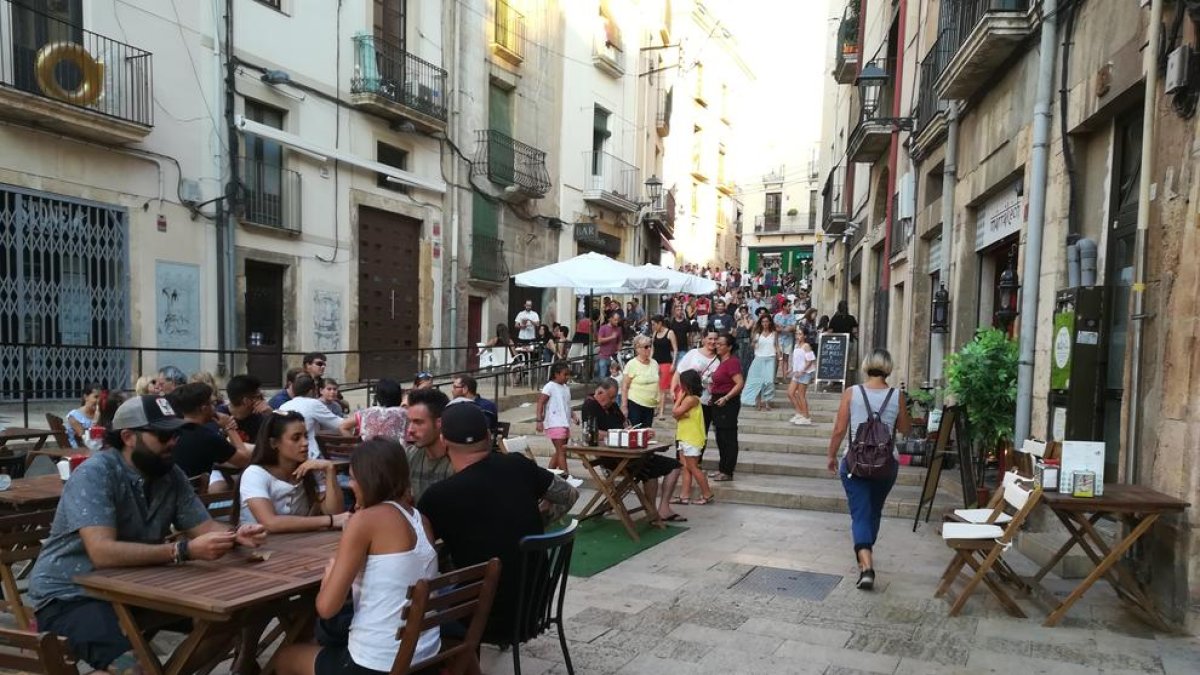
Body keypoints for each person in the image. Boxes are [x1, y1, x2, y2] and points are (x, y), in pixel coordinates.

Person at [27, 395, 266, 672]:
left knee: (231, 619)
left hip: (138, 587)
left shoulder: (170, 474)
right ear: (128, 437)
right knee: (130, 667)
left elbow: (205, 528)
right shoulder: (97, 473)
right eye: (164, 435)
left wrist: (236, 534)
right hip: (71, 595)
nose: (173, 442)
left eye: (176, 434)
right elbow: (102, 551)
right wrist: (182, 551)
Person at [275, 439, 439, 675]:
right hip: (424, 655)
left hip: (377, 663)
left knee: (285, 658)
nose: (351, 485)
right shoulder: (421, 519)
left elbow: (326, 608)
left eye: (352, 478)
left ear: (367, 480)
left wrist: (329, 579)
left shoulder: (365, 521)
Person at [418, 403, 579, 643]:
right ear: (487, 436)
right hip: (535, 608)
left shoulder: (437, 496)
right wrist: (539, 518)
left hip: (481, 616)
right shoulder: (517, 465)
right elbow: (569, 495)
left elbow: (421, 555)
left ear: (443, 441)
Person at [826, 349, 910, 590]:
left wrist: (831, 455)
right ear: (889, 368)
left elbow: (839, 429)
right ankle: (865, 555)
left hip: (855, 463)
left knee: (860, 513)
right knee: (873, 511)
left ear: (865, 366)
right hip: (886, 464)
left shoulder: (852, 393)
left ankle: (867, 565)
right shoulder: (897, 395)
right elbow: (905, 429)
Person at [237, 410, 349, 531]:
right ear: (274, 443)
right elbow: (270, 522)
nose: (305, 443)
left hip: (301, 544)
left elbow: (335, 512)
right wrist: (330, 520)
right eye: (296, 438)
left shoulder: (309, 469)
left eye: (306, 436)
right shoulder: (255, 474)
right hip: (259, 546)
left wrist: (329, 470)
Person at [168, 382, 252, 479]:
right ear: (204, 409)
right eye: (212, 404)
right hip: (195, 492)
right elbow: (244, 460)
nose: (215, 408)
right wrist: (229, 427)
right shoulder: (207, 437)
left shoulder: (172, 431)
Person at [404, 388, 455, 502]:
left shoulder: (457, 461)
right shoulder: (409, 456)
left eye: (418, 422)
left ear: (439, 423)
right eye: (409, 422)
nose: (410, 430)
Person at [278, 374, 345, 459]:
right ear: (311, 391)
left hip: (286, 454)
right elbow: (340, 424)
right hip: (309, 455)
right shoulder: (313, 403)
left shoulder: (283, 406)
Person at [672, 370, 713, 505]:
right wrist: (680, 414)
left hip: (692, 438)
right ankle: (684, 496)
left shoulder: (691, 399)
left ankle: (707, 493)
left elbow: (675, 412)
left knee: (693, 467)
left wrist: (679, 398)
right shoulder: (688, 399)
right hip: (684, 436)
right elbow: (678, 415)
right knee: (685, 467)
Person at [709, 333, 745, 482]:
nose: (717, 346)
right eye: (717, 343)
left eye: (721, 344)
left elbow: (739, 383)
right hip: (718, 400)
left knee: (728, 437)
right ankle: (722, 468)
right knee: (720, 437)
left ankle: (727, 470)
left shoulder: (732, 362)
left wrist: (726, 397)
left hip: (727, 401)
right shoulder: (720, 361)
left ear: (729, 347)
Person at [535, 362, 576, 474]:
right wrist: (539, 420)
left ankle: (549, 473)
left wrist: (573, 416)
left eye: (568, 374)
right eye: (565, 374)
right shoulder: (550, 386)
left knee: (559, 451)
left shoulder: (566, 388)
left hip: (564, 422)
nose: (567, 377)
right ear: (556, 374)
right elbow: (540, 403)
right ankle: (566, 476)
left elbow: (567, 405)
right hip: (554, 423)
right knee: (561, 451)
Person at [340, 378, 408, 443]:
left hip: (368, 453)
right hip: (397, 454)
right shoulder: (406, 414)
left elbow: (343, 426)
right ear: (399, 395)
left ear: (378, 396)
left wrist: (355, 446)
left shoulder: (365, 413)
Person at [741, 313, 779, 412]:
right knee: (757, 380)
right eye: (763, 322)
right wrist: (754, 342)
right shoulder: (757, 333)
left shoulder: (774, 333)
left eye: (766, 321)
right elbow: (753, 345)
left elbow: (776, 345)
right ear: (760, 323)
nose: (765, 323)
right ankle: (758, 402)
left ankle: (766, 402)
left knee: (769, 381)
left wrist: (780, 357)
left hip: (770, 357)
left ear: (770, 322)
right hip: (759, 358)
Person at [620, 334, 660, 430]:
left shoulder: (654, 363)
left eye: (650, 346)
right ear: (637, 349)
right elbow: (625, 386)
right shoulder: (632, 364)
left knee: (647, 433)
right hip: (635, 403)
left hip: (650, 405)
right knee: (635, 432)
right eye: (646, 347)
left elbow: (658, 384)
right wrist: (624, 406)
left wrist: (658, 403)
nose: (649, 349)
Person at [649, 315, 679, 419]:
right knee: (655, 387)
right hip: (655, 363)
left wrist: (674, 364)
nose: (652, 326)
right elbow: (652, 348)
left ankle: (661, 412)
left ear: (660, 323)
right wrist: (649, 360)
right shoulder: (655, 333)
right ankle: (656, 408)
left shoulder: (670, 333)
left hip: (666, 363)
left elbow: (675, 349)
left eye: (654, 324)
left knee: (662, 389)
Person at [787, 329, 816, 426]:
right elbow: (796, 360)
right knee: (790, 393)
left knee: (801, 394)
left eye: (800, 334)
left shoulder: (806, 346)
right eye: (796, 334)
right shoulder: (796, 345)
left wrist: (802, 371)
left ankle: (806, 416)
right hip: (796, 372)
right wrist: (791, 369)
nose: (797, 336)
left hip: (805, 373)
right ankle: (799, 412)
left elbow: (810, 360)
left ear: (804, 336)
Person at [63, 383, 101, 448]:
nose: (99, 400)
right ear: (86, 397)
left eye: (101, 398)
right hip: (79, 450)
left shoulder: (101, 414)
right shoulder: (74, 416)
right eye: (96, 397)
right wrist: (96, 419)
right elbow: (85, 439)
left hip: (96, 448)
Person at [773, 297, 798, 381]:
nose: (790, 307)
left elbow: (793, 328)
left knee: (786, 358)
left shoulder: (792, 316)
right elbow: (776, 328)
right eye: (788, 306)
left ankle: (785, 377)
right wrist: (787, 328)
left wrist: (782, 328)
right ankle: (774, 377)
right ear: (783, 306)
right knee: (777, 358)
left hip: (788, 340)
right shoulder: (777, 316)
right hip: (779, 340)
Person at [596, 311, 622, 379]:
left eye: (618, 319)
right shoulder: (603, 328)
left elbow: (619, 341)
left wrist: (619, 347)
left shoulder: (619, 329)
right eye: (615, 320)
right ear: (610, 319)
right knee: (603, 377)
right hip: (603, 356)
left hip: (614, 356)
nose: (617, 321)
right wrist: (611, 337)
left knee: (614, 377)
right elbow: (599, 340)